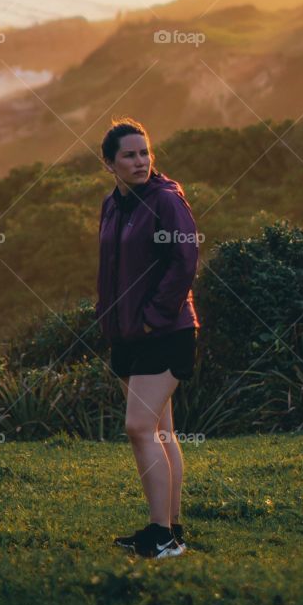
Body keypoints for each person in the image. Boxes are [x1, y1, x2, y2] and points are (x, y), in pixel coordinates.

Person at [95, 116, 201, 559]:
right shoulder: (112, 205)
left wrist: (153, 319)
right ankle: (171, 531)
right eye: (130, 155)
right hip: (126, 335)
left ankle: (161, 537)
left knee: (139, 428)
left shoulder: (165, 200)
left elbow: (185, 261)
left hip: (166, 331)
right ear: (109, 164)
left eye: (145, 152)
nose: (140, 161)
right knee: (161, 430)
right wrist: (110, 320)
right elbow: (111, 269)